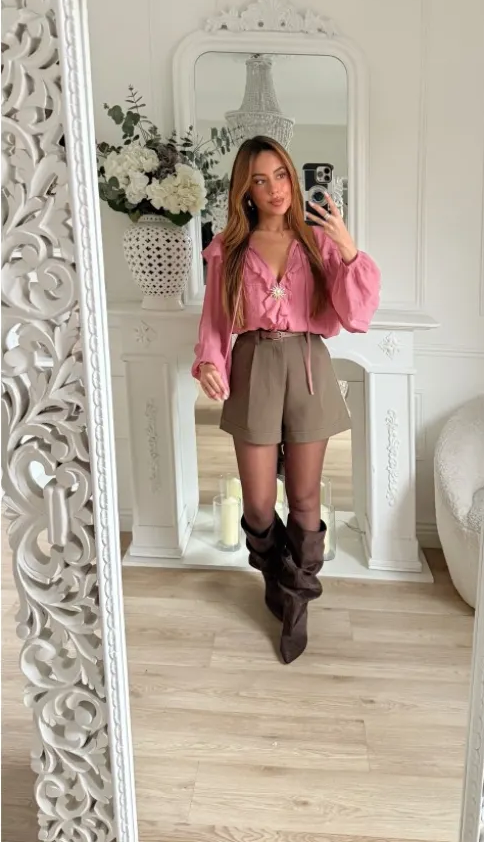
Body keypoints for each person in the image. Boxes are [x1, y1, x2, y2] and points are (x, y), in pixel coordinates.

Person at [192, 135, 381, 663]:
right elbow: (214, 319)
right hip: (253, 361)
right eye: (260, 179)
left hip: (308, 364)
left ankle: (297, 601)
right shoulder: (228, 248)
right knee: (257, 505)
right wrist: (210, 361)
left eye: (280, 175)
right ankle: (277, 576)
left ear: (294, 179)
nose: (274, 188)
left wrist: (348, 249)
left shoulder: (319, 242)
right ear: (245, 191)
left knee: (303, 498)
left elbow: (356, 316)